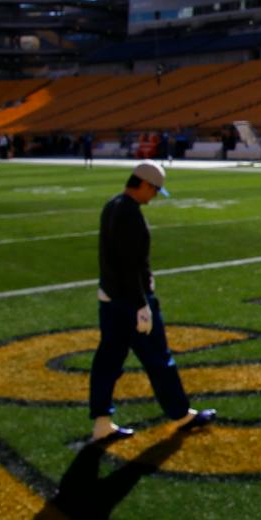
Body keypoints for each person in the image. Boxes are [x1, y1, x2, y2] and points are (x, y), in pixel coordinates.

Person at [88, 160, 213, 442]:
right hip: (131, 304)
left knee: (108, 362)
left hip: (110, 299)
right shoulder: (129, 213)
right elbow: (128, 264)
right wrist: (141, 304)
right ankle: (181, 414)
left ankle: (101, 422)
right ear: (143, 184)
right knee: (158, 359)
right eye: (154, 190)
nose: (154, 196)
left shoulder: (112, 205)